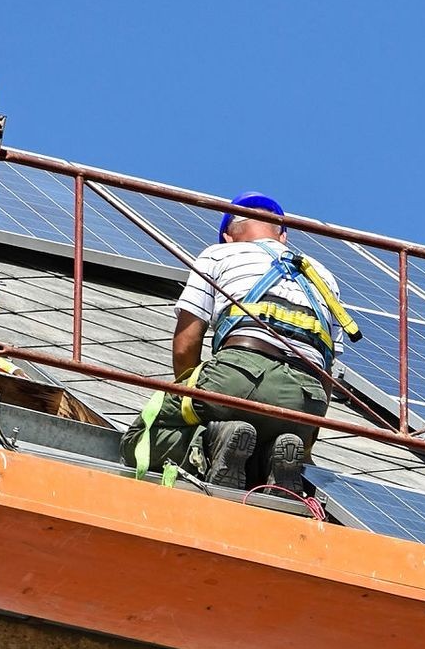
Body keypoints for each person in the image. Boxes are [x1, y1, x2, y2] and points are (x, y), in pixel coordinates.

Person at [120, 192, 356, 493]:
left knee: (140, 439)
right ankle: (276, 457)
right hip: (305, 401)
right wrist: (308, 436)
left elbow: (185, 343)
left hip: (237, 377)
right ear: (282, 236)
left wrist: (194, 397)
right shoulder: (324, 277)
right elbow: (326, 370)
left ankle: (209, 444)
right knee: (269, 436)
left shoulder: (220, 255)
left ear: (228, 237)